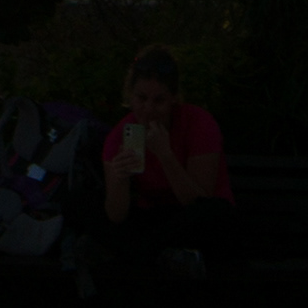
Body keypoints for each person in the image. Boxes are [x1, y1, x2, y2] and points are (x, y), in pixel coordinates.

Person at [70, 43, 237, 277]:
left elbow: (197, 200)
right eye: (141, 98)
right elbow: (117, 215)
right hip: (153, 220)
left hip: (189, 216)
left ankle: (136, 253)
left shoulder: (199, 124)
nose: (148, 109)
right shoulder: (121, 135)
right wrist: (119, 179)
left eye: (158, 101)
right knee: (80, 202)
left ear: (173, 99)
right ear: (131, 97)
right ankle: (159, 254)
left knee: (215, 214)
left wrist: (165, 155)